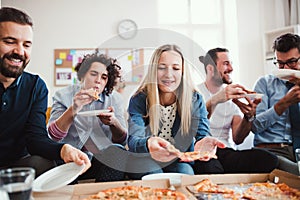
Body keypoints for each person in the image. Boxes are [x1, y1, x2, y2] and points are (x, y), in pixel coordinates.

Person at [0, 7, 90, 177]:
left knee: (45, 163)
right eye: (9, 41)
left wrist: (64, 150)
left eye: (26, 45)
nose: (20, 51)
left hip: (16, 167)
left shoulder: (36, 86)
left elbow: (35, 138)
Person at [127, 44, 225, 179]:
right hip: (146, 159)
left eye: (175, 68)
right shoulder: (139, 99)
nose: (168, 74)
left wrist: (204, 142)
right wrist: (148, 143)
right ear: (153, 71)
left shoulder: (194, 99)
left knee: (184, 174)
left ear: (183, 72)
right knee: (154, 176)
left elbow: (203, 132)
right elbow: (133, 140)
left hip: (179, 159)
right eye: (162, 68)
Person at [194, 47, 278, 174]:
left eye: (231, 63)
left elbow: (238, 138)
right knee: (211, 167)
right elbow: (193, 127)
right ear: (210, 68)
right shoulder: (195, 93)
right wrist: (216, 100)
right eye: (226, 64)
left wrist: (248, 117)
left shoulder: (232, 95)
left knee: (268, 159)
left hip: (227, 152)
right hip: (204, 151)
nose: (231, 69)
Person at [48, 52, 128, 182]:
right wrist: (73, 109)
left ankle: (104, 194)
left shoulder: (115, 99)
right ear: (83, 75)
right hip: (70, 159)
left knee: (118, 151)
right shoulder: (63, 96)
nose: (98, 80)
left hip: (100, 160)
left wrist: (113, 122)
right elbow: (52, 137)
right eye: (93, 74)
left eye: (104, 77)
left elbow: (122, 141)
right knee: (57, 157)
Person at [252, 33, 300, 175]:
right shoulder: (264, 83)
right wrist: (283, 104)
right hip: (273, 151)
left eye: (292, 62)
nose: (285, 68)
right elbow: (255, 126)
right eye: (280, 63)